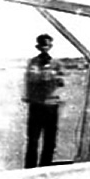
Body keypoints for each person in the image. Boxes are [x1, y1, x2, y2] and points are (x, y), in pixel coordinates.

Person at [23, 34, 65, 168]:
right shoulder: (33, 63)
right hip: (36, 105)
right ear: (38, 46)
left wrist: (56, 77)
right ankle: (29, 169)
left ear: (51, 46)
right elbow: (32, 79)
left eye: (48, 45)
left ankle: (45, 167)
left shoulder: (56, 63)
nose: (45, 48)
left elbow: (61, 82)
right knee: (33, 139)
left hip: (51, 106)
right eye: (42, 45)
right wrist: (46, 75)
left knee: (50, 140)